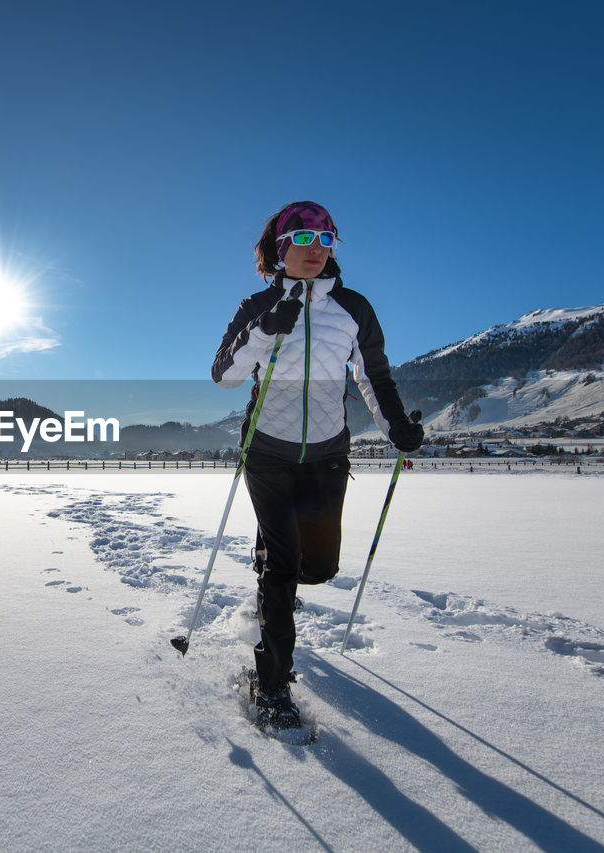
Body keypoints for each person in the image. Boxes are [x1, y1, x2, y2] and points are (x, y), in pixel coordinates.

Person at [211, 201, 423, 730]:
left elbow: (374, 375)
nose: (315, 251)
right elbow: (224, 376)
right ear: (280, 247)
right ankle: (272, 684)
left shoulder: (353, 307)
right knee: (283, 569)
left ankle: (269, 577)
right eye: (303, 239)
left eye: (325, 240)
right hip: (268, 451)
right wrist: (265, 328)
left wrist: (395, 425)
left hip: (327, 453)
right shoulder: (257, 304)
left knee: (318, 567)